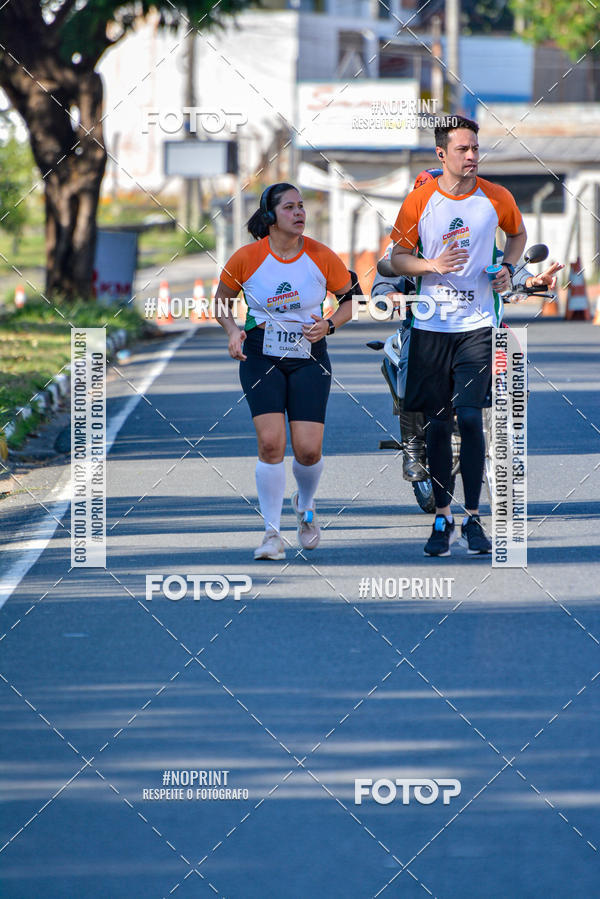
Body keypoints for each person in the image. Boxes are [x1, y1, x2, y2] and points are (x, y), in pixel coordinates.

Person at [390, 116, 526, 557]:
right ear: (441, 154)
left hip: (478, 324)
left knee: (470, 419)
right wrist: (432, 266)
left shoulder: (497, 197)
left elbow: (518, 234)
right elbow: (397, 258)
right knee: (438, 423)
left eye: (475, 148)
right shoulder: (420, 200)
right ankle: (441, 518)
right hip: (431, 325)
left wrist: (507, 268)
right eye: (463, 149)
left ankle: (472, 518)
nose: (471, 156)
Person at [215, 183, 355, 561]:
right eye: (289, 207)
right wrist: (232, 331)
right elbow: (221, 302)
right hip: (261, 354)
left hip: (309, 353)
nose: (299, 213)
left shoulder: (322, 255)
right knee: (271, 444)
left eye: (301, 206)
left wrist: (329, 324)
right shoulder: (247, 257)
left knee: (308, 451)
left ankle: (305, 507)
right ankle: (271, 533)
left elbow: (349, 302)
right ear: (270, 216)